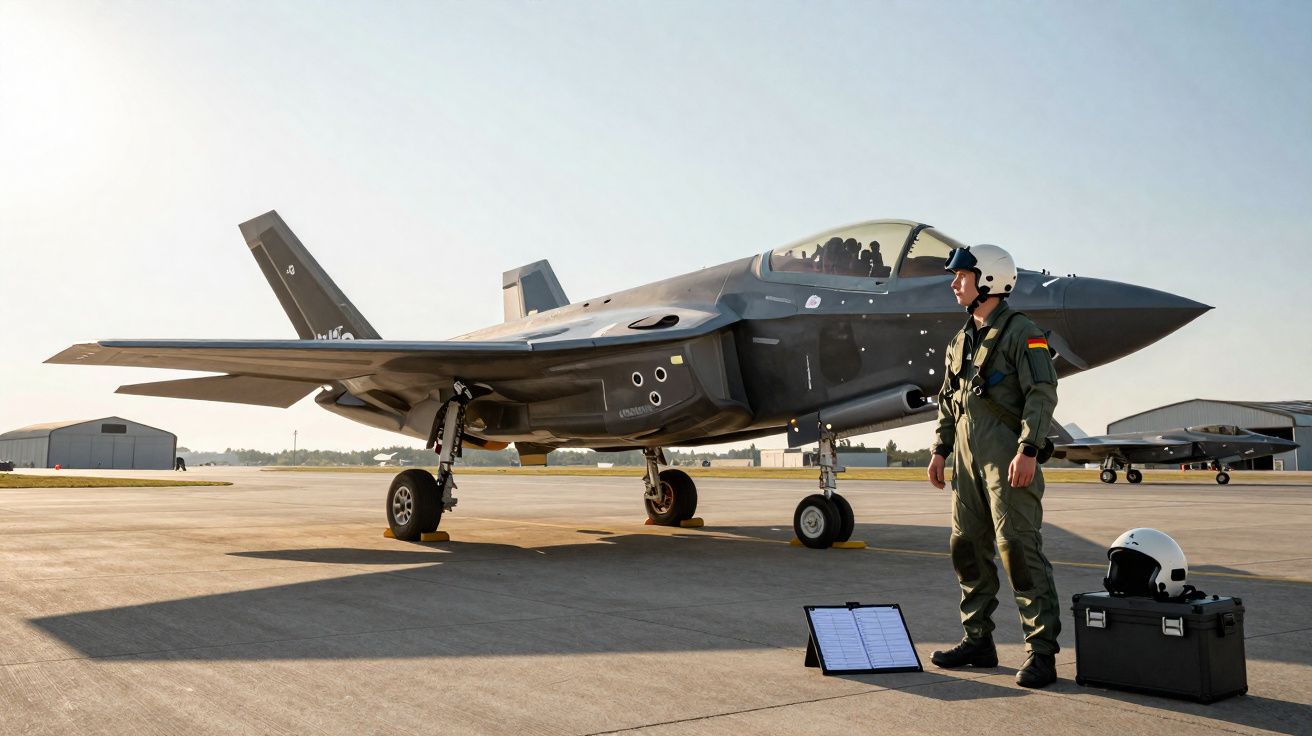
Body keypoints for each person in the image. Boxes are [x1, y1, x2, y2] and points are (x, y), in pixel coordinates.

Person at [926, 243, 1062, 689]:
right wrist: (939, 449)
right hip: (966, 462)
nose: (954, 283)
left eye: (962, 276)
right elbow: (950, 402)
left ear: (988, 280)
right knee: (965, 547)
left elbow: (1041, 393)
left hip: (1007, 459)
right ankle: (978, 640)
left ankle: (1041, 653)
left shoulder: (1025, 333)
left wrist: (1028, 449)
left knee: (1018, 550)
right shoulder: (959, 341)